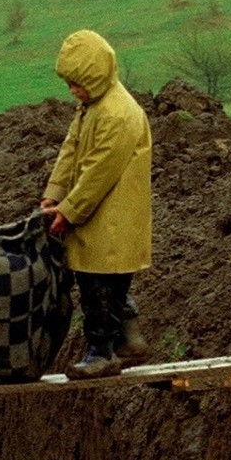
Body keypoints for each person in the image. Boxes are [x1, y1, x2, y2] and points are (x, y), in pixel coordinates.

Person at [40, 30, 153, 379]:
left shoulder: (118, 114)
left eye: (77, 83)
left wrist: (68, 211)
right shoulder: (92, 106)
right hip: (99, 216)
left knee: (99, 289)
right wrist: (54, 192)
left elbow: (98, 173)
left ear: (95, 75)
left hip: (112, 218)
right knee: (102, 284)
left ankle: (100, 353)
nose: (72, 90)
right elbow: (70, 149)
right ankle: (129, 339)